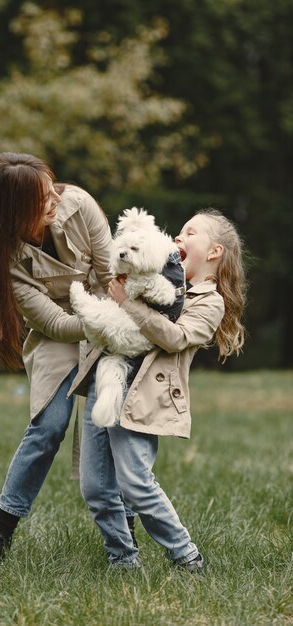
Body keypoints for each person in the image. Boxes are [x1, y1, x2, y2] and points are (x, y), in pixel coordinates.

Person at [69, 208, 247, 570]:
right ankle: (122, 559)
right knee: (95, 487)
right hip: (108, 383)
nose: (179, 238)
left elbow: (175, 337)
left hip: (143, 399)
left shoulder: (208, 301)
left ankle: (186, 554)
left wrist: (128, 304)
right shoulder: (156, 272)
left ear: (214, 252)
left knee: (135, 484)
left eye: (191, 233)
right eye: (178, 232)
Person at [0, 151, 120, 560]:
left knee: (110, 424)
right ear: (15, 210)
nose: (55, 199)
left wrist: (117, 327)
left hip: (110, 324)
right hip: (61, 336)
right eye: (43, 198)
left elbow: (113, 278)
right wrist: (102, 322)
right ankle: (0, 535)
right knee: (49, 427)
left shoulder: (80, 205)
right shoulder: (6, 259)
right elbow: (55, 324)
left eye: (52, 188)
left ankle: (124, 535)